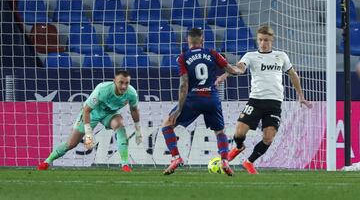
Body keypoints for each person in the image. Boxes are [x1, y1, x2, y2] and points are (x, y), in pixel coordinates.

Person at [215, 25, 313, 174]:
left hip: (274, 102)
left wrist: (301, 96)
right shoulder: (250, 56)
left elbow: (293, 74)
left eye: (266, 40)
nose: (263, 43)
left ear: (271, 40)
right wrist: (226, 74)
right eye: (260, 40)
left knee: (268, 138)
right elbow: (240, 67)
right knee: (239, 134)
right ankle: (239, 147)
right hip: (255, 100)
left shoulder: (281, 56)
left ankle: (249, 162)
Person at [161, 28, 242, 176]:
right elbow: (231, 70)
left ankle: (176, 158)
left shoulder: (182, 58)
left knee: (167, 124)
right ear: (202, 40)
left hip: (192, 99)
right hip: (211, 98)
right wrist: (240, 70)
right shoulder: (212, 53)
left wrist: (179, 108)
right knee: (219, 131)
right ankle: (224, 160)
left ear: (187, 40)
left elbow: (183, 85)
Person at [37, 70, 143, 172]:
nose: (124, 86)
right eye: (121, 82)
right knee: (71, 144)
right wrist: (88, 134)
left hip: (110, 114)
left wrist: (138, 130)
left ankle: (125, 164)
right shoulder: (103, 89)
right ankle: (47, 161)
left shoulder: (131, 93)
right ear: (114, 81)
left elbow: (134, 110)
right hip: (92, 113)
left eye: (127, 83)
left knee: (120, 127)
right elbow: (87, 110)